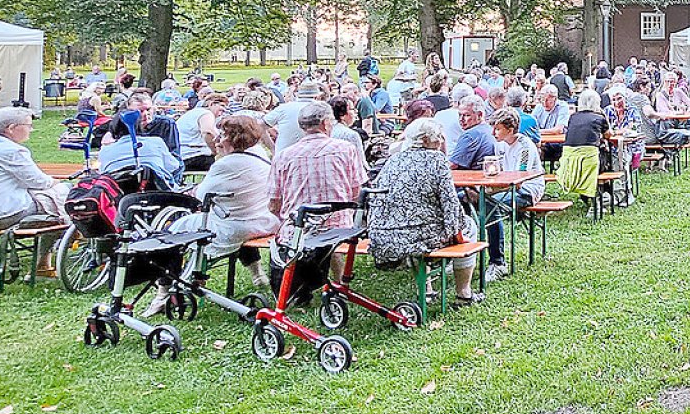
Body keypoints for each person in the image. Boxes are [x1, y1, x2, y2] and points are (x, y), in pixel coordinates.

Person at [366, 118, 481, 305]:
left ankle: (426, 289)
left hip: (386, 235)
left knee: (415, 230)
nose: (441, 142)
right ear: (426, 140)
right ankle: (464, 293)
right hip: (420, 236)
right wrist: (458, 235)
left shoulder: (393, 160)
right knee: (469, 226)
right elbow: (451, 204)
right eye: (438, 138)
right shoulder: (436, 160)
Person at [269, 101, 369, 299]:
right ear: (325, 124)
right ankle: (339, 282)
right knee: (332, 227)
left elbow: (274, 203)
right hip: (340, 225)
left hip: (298, 229)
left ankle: (294, 289)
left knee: (286, 235)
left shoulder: (283, 156)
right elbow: (358, 192)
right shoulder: (346, 149)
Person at [0, 107, 66, 277]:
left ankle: (45, 262)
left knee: (52, 199)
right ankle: (43, 264)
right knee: (60, 203)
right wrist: (57, 182)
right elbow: (40, 181)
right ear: (11, 128)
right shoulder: (12, 150)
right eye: (28, 125)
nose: (31, 129)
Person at [192, 114, 279, 289]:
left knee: (181, 226)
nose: (217, 140)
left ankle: (168, 288)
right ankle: (257, 273)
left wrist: (196, 190)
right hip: (265, 221)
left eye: (222, 135)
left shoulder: (226, 165)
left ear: (235, 139)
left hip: (238, 226)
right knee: (236, 217)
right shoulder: (259, 153)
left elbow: (200, 197)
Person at [480, 111, 545, 268]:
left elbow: (518, 182)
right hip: (506, 189)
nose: (493, 133)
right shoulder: (499, 144)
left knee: (490, 205)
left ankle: (497, 262)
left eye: (497, 129)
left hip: (528, 190)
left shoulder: (525, 147)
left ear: (510, 130)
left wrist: (490, 191)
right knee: (470, 200)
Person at [97, 108, 184, 189]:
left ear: (113, 129)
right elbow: (173, 166)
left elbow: (104, 174)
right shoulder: (156, 142)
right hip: (159, 195)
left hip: (121, 199)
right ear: (139, 126)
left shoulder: (105, 151)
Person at [175, 92, 226, 175]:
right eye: (221, 106)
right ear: (211, 104)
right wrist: (216, 152)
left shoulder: (193, 113)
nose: (224, 110)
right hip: (194, 157)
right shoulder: (206, 114)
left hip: (182, 157)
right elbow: (208, 132)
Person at [446, 99, 496, 170]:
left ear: (479, 115)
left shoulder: (470, 135)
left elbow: (452, 165)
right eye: (459, 115)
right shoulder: (489, 129)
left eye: (466, 115)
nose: (461, 119)